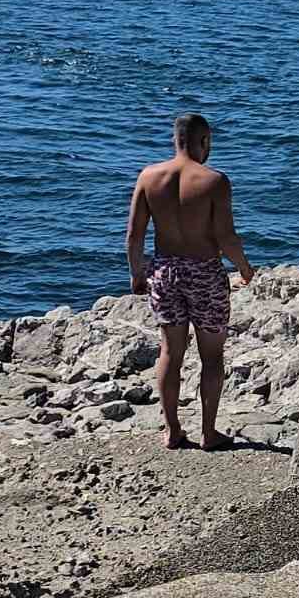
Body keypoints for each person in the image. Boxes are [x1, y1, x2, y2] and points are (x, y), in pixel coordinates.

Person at [125, 114, 253, 452]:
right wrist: (244, 268)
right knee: (212, 357)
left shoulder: (149, 177)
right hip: (204, 273)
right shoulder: (214, 181)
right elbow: (226, 235)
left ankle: (172, 431)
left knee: (170, 352)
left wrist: (137, 274)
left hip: (164, 272)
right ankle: (209, 433)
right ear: (205, 141)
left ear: (175, 140)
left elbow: (134, 235)